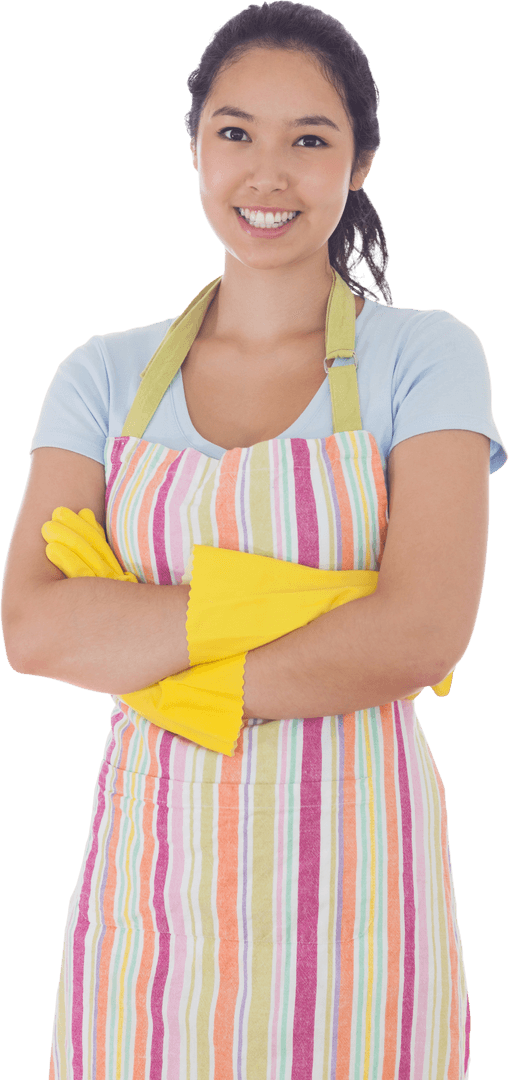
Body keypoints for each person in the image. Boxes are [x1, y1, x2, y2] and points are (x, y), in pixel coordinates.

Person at [2, 2, 507, 1077]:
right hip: (151, 897)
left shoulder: (424, 358)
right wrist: (325, 605)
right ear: (194, 147)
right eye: (235, 133)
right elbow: (35, 625)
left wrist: (160, 669)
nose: (265, 172)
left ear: (358, 160)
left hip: (361, 894)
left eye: (307, 140)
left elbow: (421, 632)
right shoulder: (99, 375)